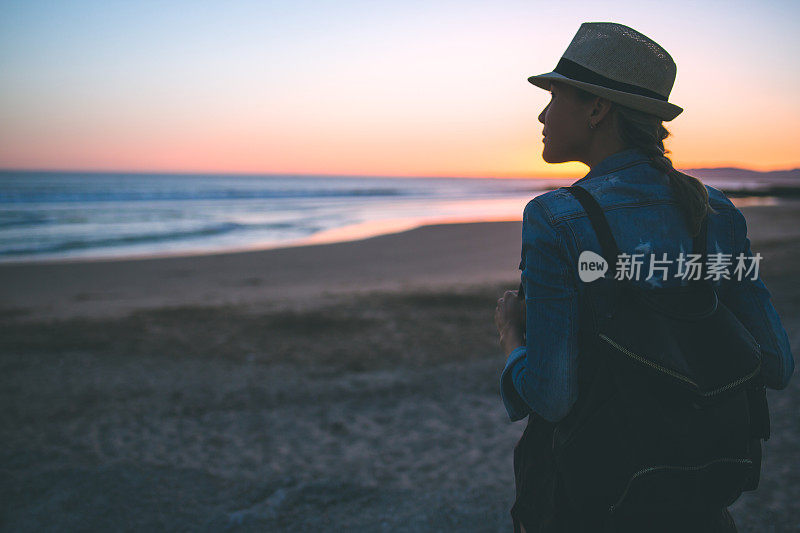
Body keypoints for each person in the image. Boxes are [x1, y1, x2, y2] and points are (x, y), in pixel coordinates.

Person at [493, 22, 794, 532]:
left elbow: (551, 396)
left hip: (594, 500)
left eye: (554, 96)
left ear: (596, 108)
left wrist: (511, 338)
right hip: (700, 501)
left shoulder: (556, 218)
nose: (542, 114)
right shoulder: (717, 212)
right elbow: (776, 363)